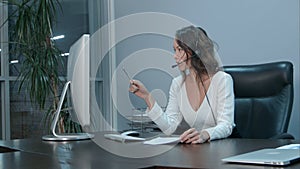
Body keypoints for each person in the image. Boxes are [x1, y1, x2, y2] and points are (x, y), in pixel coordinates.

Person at [129, 25, 235, 144]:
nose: (175, 56)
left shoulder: (222, 80)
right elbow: (169, 128)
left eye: (179, 50)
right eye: (175, 50)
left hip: (219, 149)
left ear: (196, 52)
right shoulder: (177, 84)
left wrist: (205, 134)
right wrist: (147, 97)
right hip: (195, 151)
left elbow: (226, 125)